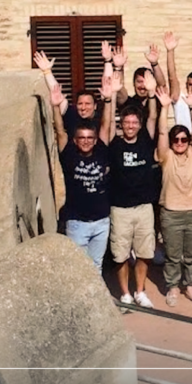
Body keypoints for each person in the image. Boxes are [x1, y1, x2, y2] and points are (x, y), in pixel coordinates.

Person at [46, 52, 114, 274]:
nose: (86, 141)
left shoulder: (101, 150)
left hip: (101, 220)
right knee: (78, 269)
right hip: (77, 222)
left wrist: (108, 99)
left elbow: (106, 125)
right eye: (81, 138)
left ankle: (97, 297)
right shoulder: (70, 154)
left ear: (95, 140)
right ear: (75, 140)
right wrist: (55, 106)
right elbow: (60, 131)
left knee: (96, 266)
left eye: (89, 138)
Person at [104, 67, 159, 308]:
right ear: (122, 124)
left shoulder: (146, 140)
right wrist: (111, 97)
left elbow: (153, 118)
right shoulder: (114, 144)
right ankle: (125, 293)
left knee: (145, 252)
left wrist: (153, 94)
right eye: (126, 122)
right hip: (120, 209)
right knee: (120, 255)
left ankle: (140, 291)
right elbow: (107, 125)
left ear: (139, 124)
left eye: (134, 122)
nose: (130, 126)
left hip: (143, 207)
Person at [155, 85, 192, 307]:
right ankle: (173, 287)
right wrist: (164, 108)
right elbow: (161, 133)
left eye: (183, 139)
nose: (179, 143)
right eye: (176, 139)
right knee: (173, 255)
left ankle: (191, 286)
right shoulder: (165, 156)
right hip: (172, 214)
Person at [34, 50, 102, 137]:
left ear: (95, 106)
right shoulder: (72, 115)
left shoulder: (101, 117)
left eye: (87, 104)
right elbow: (57, 93)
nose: (83, 107)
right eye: (80, 104)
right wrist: (47, 72)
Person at [114, 41, 165, 126]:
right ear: (133, 83)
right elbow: (118, 87)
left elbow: (162, 86)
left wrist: (154, 63)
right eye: (139, 82)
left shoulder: (157, 100)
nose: (142, 86)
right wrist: (118, 68)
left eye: (146, 82)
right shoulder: (128, 102)